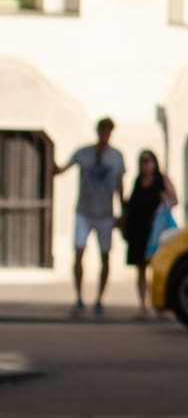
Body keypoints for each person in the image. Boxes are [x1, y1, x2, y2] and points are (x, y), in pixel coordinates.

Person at [53, 118, 126, 317]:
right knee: (78, 253)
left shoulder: (117, 156)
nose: (104, 135)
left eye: (108, 132)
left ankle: (100, 300)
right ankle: (79, 298)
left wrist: (123, 212)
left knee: (105, 256)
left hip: (105, 214)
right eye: (102, 131)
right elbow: (62, 169)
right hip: (84, 211)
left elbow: (120, 184)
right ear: (98, 131)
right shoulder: (83, 153)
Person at [121, 150, 179, 320]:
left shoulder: (162, 180)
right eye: (141, 161)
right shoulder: (138, 181)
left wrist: (165, 199)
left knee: (156, 268)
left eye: (147, 160)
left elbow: (175, 199)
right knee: (140, 268)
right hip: (138, 230)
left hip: (156, 231)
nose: (144, 164)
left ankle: (159, 305)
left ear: (154, 162)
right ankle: (142, 305)